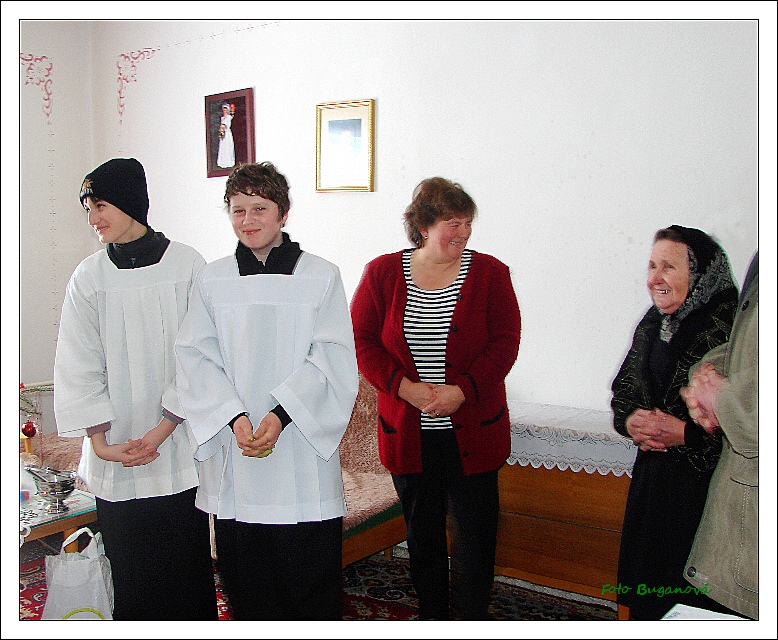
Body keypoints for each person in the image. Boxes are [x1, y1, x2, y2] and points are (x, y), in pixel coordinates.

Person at [174, 161, 358, 620]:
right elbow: (196, 357)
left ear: (283, 213)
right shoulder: (212, 279)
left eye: (259, 208)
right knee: (247, 585)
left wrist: (280, 414)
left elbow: (332, 358)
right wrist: (234, 417)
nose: (248, 220)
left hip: (301, 450)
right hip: (237, 449)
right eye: (238, 210)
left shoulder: (320, 275)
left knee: (309, 588)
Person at [350, 177, 521, 620]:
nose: (463, 232)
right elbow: (362, 341)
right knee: (422, 538)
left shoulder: (491, 274)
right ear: (423, 226)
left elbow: (505, 342)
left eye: (467, 222)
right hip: (409, 434)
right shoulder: (382, 273)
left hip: (473, 432)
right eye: (452, 223)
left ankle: (470, 620)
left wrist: (462, 391)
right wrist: (404, 388)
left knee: (475, 541)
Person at [53, 158, 217, 620]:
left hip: (176, 445)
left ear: (130, 203)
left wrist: (164, 427)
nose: (93, 218)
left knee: (185, 568)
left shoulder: (187, 264)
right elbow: (78, 362)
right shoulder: (89, 277)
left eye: (100, 205)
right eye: (87, 209)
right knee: (130, 571)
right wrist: (100, 443)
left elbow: (201, 352)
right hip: (115, 450)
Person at [611, 225, 740, 620]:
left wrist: (685, 433)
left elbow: (750, 421)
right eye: (652, 266)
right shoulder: (654, 322)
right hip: (654, 487)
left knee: (692, 608)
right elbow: (625, 390)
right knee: (647, 601)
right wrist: (631, 420)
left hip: (706, 496)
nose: (655, 278)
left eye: (668, 266)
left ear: (700, 273)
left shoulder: (733, 329)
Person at [680, 250, 758, 619]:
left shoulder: (715, 311)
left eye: (670, 266)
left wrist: (719, 399)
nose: (658, 277)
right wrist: (703, 375)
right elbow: (748, 351)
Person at [216, 102, 235, 168]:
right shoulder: (222, 118)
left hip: (227, 134)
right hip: (223, 134)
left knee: (228, 147)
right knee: (223, 147)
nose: (225, 111)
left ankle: (229, 162)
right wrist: (221, 130)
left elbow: (231, 116)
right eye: (224, 110)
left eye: (226, 110)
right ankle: (222, 162)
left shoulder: (229, 117)